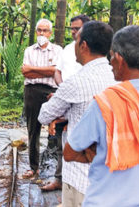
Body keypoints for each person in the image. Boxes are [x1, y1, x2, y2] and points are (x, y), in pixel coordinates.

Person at [64, 26, 139, 206]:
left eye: (111, 56)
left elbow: (69, 153)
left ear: (119, 59)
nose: (110, 63)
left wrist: (97, 154)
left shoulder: (105, 103)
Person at [38, 21, 116, 205]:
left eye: (76, 39)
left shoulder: (77, 82)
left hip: (79, 174)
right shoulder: (115, 76)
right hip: (108, 171)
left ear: (84, 46)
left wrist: (62, 111)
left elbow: (44, 116)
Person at [42, 15, 89, 192]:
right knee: (61, 141)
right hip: (65, 98)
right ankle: (60, 179)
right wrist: (63, 89)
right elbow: (57, 72)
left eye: (78, 28)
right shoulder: (68, 49)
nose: (74, 31)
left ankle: (77, 185)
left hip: (83, 102)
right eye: (72, 28)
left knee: (79, 142)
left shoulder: (91, 50)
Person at [21, 19, 63, 179]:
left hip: (51, 91)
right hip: (32, 91)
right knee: (33, 129)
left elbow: (55, 71)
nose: (42, 34)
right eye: (39, 30)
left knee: (57, 129)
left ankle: (59, 171)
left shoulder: (58, 50)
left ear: (50, 33)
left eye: (45, 31)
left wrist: (34, 69)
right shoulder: (29, 50)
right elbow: (26, 73)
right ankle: (33, 167)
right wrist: (46, 70)